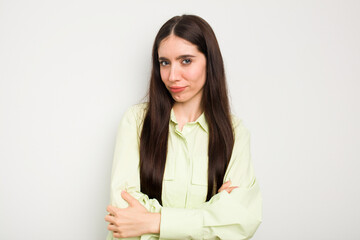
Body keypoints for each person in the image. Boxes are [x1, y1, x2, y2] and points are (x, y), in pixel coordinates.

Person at [105, 14, 262, 239]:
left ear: (210, 62)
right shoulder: (136, 122)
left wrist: (152, 222)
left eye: (186, 60)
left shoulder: (234, 133)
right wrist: (211, 217)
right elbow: (123, 217)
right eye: (164, 63)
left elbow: (240, 221)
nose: (172, 76)